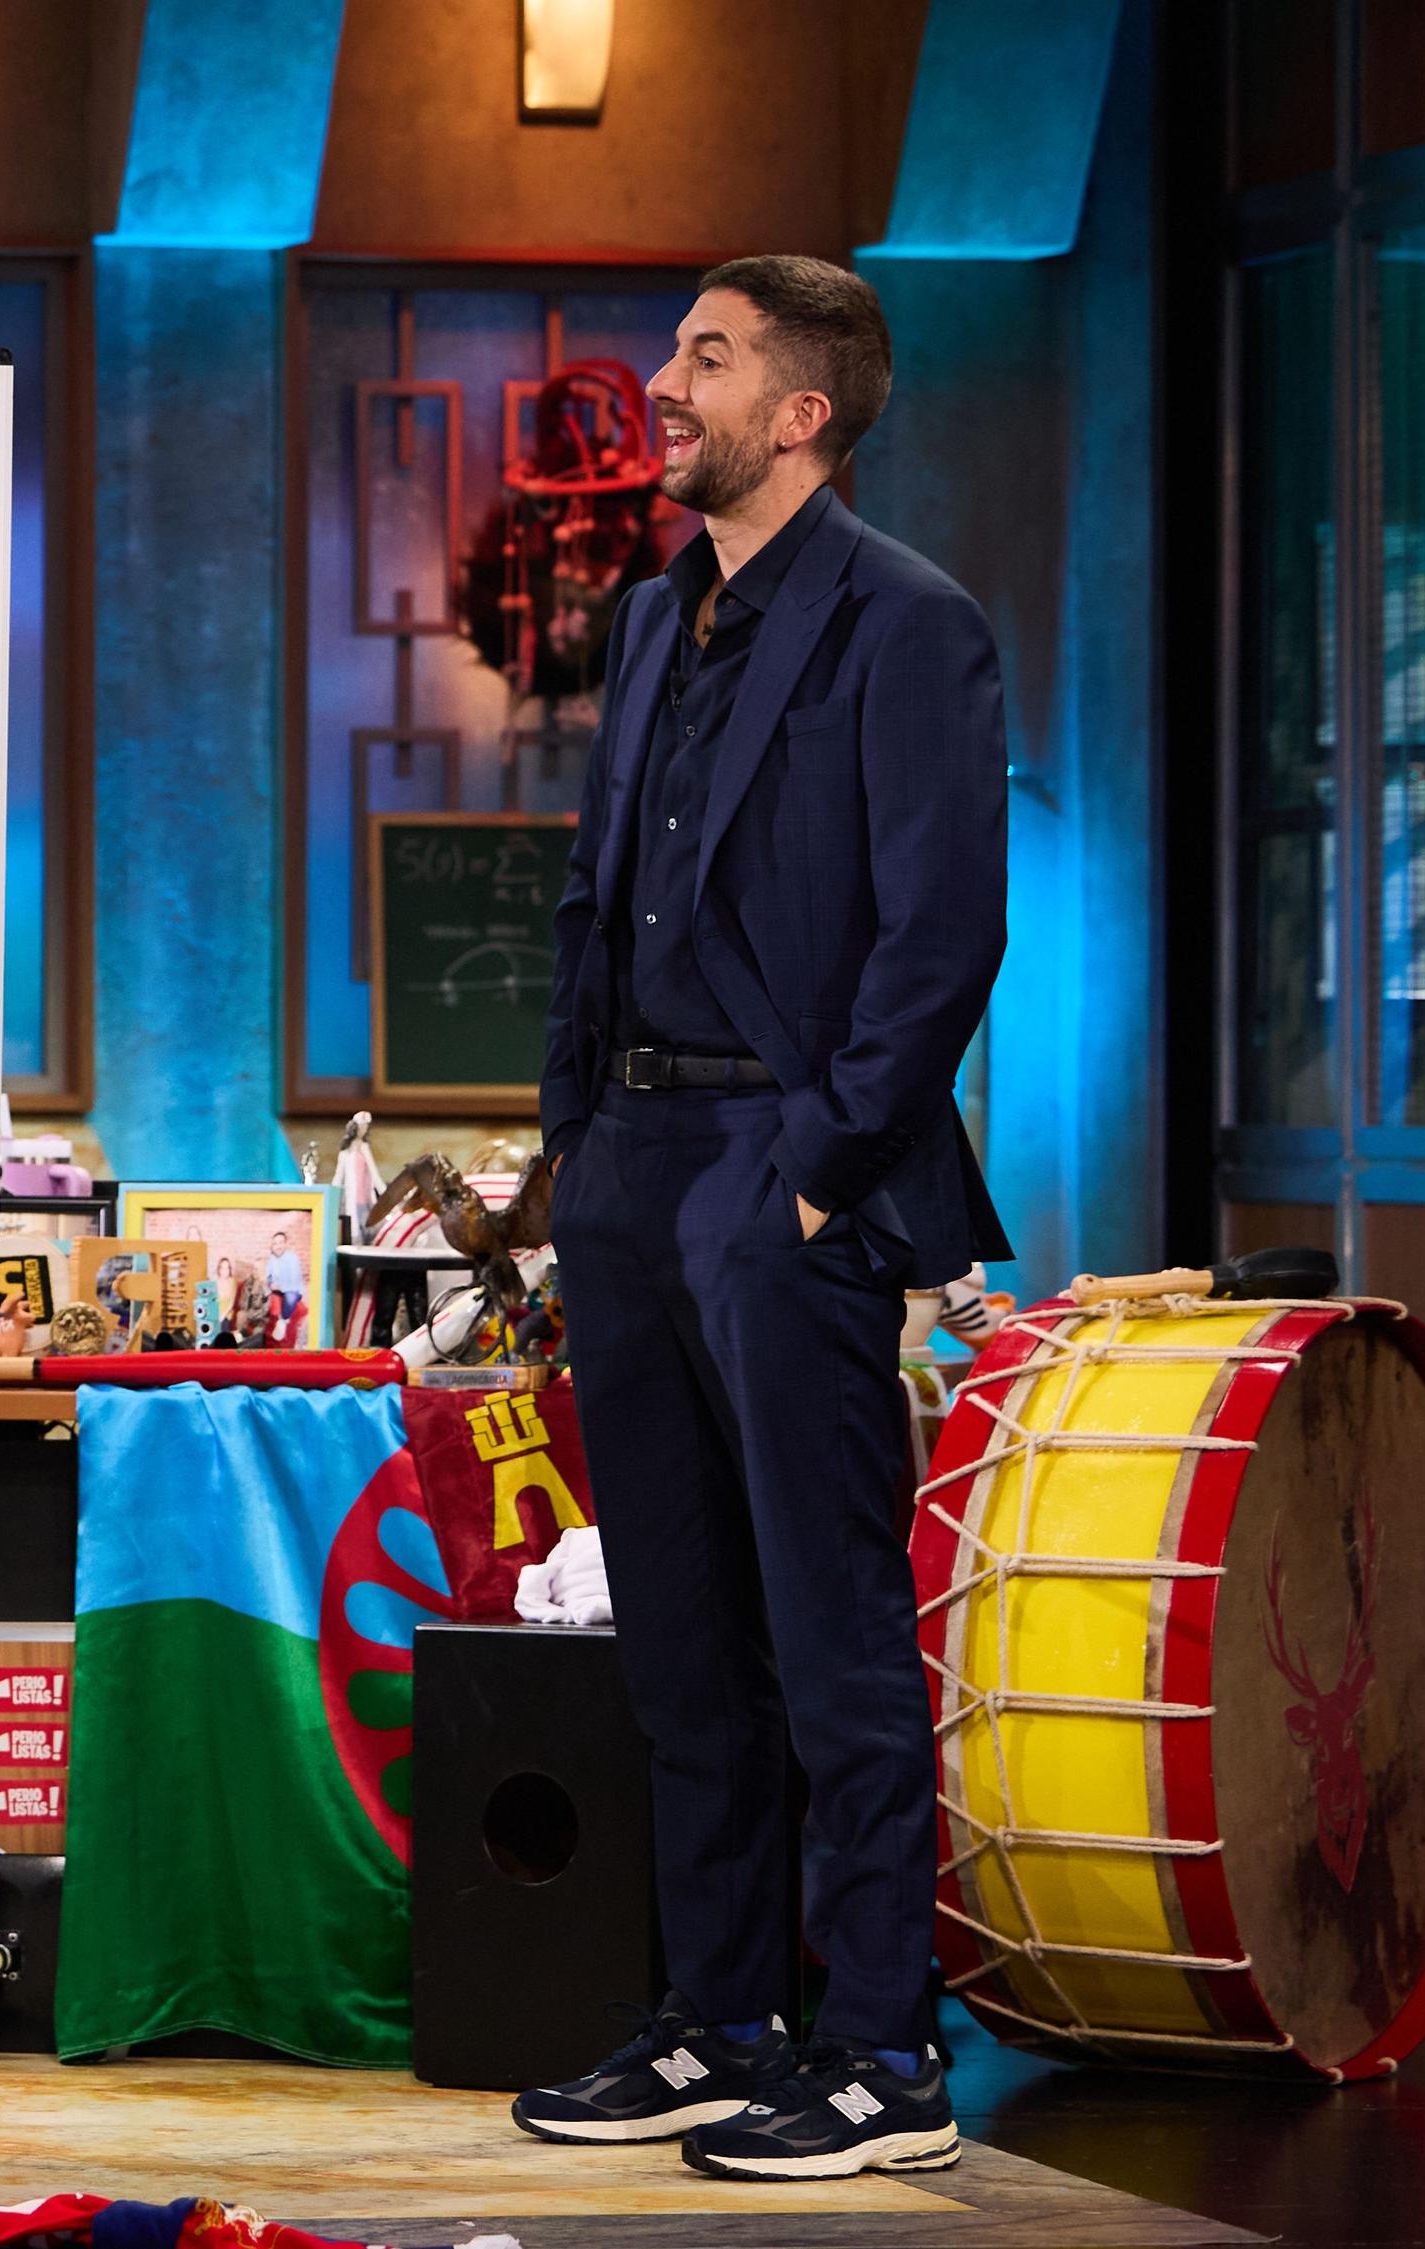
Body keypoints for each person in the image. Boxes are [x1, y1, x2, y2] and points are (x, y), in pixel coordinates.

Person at [518, 256, 1007, 2181]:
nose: (664, 380)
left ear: (800, 413)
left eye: (705, 356)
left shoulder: (910, 623)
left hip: (786, 1168)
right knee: (683, 1634)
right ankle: (720, 2016)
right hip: (635, 1164)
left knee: (829, 1628)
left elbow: (942, 930)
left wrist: (815, 1167)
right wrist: (575, 1140)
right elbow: (596, 891)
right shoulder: (658, 614)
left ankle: (880, 2046)